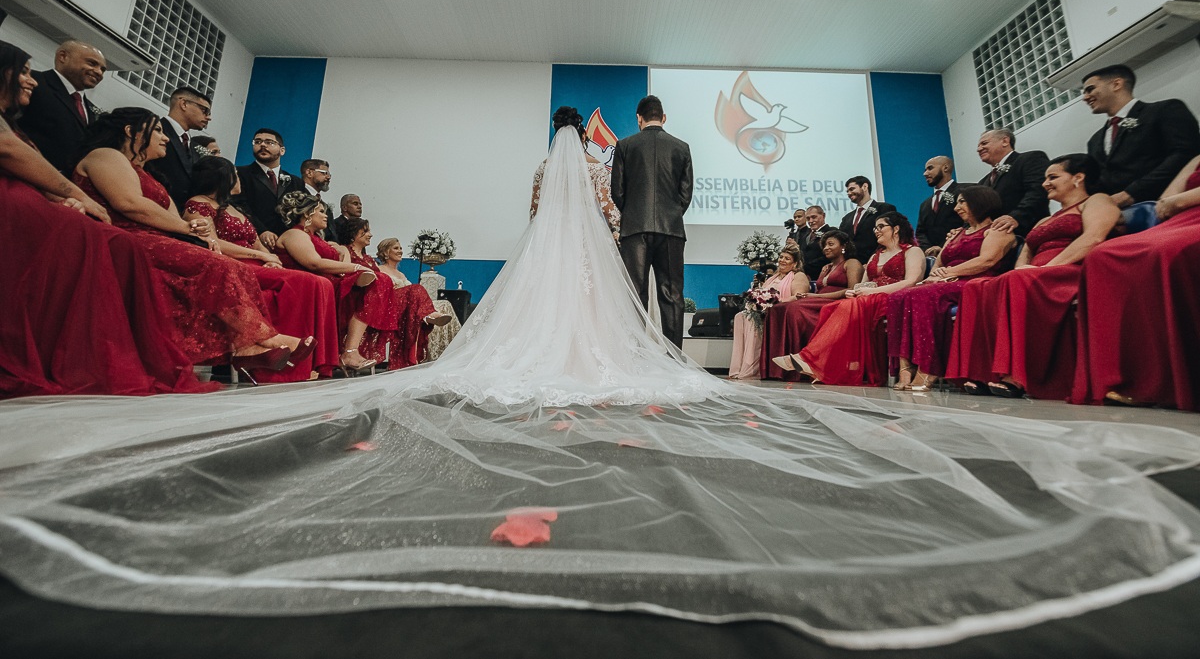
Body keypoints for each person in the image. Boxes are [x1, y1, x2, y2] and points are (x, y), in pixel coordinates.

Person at [4, 115, 1200, 646]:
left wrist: (578, 205)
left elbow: (553, 227)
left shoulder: (569, 174)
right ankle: (615, 349)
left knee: (557, 310)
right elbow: (614, 218)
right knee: (618, 317)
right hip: (642, 244)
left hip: (608, 241)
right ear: (614, 145)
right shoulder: (641, 161)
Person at [0, 40, 215, 397]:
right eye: (22, 72)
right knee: (110, 239)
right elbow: (13, 152)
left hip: (45, 191)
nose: (31, 80)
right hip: (23, 194)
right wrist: (75, 195)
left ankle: (101, 353)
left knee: (112, 240)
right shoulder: (98, 150)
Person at [72, 107, 307, 380]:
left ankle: (248, 347)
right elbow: (129, 204)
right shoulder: (106, 156)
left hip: (156, 239)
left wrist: (196, 233)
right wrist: (189, 227)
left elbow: (171, 217)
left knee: (237, 268)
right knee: (218, 266)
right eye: (158, 130)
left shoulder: (147, 173)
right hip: (124, 238)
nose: (164, 138)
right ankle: (263, 340)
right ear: (130, 131)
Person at [947, 154, 1120, 399]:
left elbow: (1093, 237)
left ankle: (1017, 376)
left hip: (1072, 270)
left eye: (1053, 177)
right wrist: (1023, 270)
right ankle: (984, 372)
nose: (1045, 183)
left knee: (1016, 280)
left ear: (1078, 178)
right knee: (976, 287)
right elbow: (1026, 252)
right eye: (1045, 178)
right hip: (1034, 275)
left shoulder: (1096, 201)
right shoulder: (1044, 219)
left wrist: (1044, 269)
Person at [184, 156, 336, 382]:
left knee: (319, 283)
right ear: (222, 178)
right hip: (233, 263)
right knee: (307, 281)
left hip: (256, 261)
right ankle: (282, 364)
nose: (239, 180)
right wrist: (261, 255)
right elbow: (211, 243)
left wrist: (270, 257)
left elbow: (255, 239)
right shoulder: (197, 204)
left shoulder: (233, 208)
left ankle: (311, 364)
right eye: (235, 176)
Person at [1073, 153, 1200, 409]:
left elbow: (1174, 201)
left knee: (1163, 252)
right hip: (1177, 220)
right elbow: (1164, 202)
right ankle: (1127, 375)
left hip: (1189, 219)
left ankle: (1176, 377)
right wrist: (1173, 203)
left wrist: (1180, 200)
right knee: (1102, 255)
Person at [887, 186, 1014, 391]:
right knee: (897, 297)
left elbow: (986, 260)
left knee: (922, 296)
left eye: (962, 202)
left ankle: (928, 366)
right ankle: (905, 367)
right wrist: (937, 274)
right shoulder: (958, 233)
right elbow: (939, 261)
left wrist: (945, 274)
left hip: (977, 282)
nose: (957, 208)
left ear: (980, 202)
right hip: (947, 281)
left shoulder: (995, 231)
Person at [781, 212, 924, 386]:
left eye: (881, 226)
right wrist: (854, 292)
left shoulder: (912, 251)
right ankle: (827, 365)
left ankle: (810, 358)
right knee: (830, 308)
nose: (876, 231)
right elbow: (861, 285)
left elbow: (911, 281)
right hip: (869, 298)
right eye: (875, 227)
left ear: (896, 229)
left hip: (894, 298)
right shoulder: (875, 255)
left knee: (848, 307)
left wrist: (872, 292)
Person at [611, 95, 693, 348]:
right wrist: (670, 214)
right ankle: (673, 357)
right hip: (671, 230)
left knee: (635, 294)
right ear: (663, 117)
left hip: (635, 230)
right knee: (672, 294)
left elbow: (617, 192)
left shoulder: (625, 145)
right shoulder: (682, 147)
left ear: (639, 118)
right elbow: (686, 193)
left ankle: (636, 355)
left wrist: (634, 213)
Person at [274, 191, 384, 373]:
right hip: (305, 287)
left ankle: (349, 350)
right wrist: (357, 269)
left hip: (325, 284)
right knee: (376, 282)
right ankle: (349, 351)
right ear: (307, 214)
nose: (326, 215)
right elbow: (314, 263)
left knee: (378, 282)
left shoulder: (318, 238)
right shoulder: (295, 235)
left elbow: (340, 267)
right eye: (321, 211)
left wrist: (343, 251)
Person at [1081, 64, 1200, 208]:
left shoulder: (1164, 110)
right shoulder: (1094, 140)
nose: (1085, 98)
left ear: (1116, 84)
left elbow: (1185, 154)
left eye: (1090, 89)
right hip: (1118, 215)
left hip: (1167, 204)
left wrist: (1132, 193)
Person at [339, 219, 451, 369]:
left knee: (443, 303)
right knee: (415, 288)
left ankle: (438, 333)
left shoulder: (369, 261)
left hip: (389, 304)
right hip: (372, 302)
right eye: (366, 231)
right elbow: (344, 273)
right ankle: (428, 314)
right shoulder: (348, 252)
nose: (370, 235)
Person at [764, 230, 864, 381]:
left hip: (838, 304)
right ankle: (778, 369)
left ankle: (805, 360)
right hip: (818, 301)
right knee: (778, 308)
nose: (826, 248)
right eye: (824, 246)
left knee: (795, 308)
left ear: (844, 246)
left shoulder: (852, 263)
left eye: (830, 244)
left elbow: (852, 290)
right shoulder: (826, 267)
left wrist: (815, 296)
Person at [18, 40, 106, 174]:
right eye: (92, 63)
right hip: (23, 172)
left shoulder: (91, 111)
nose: (99, 72)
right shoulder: (33, 82)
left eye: (102, 69)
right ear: (63, 56)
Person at [532, 106, 621, 234]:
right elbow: (606, 206)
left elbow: (535, 207)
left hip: (551, 230)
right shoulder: (596, 168)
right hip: (586, 230)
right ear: (583, 136)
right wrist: (620, 225)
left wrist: (537, 234)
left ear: (557, 138)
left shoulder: (544, 168)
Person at [727, 244, 808, 381]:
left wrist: (776, 303)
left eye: (787, 258)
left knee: (753, 320)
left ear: (795, 264)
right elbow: (763, 294)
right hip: (766, 309)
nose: (782, 260)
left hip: (780, 312)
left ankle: (751, 369)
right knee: (740, 316)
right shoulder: (772, 277)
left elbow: (798, 296)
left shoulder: (798, 276)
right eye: (781, 257)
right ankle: (738, 367)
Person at [231, 128, 299, 249]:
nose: (262, 145)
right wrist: (261, 231)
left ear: (282, 150)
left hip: (288, 244)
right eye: (257, 142)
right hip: (252, 239)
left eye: (269, 142)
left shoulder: (295, 181)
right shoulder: (240, 173)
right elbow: (239, 206)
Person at [146, 86, 211, 210]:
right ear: (184, 104)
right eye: (204, 111)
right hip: (154, 205)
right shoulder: (155, 130)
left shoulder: (193, 145)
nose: (208, 117)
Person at [975, 128, 1049, 236]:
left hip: (1029, 232)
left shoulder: (1030, 159)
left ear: (1005, 141)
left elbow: (1038, 192)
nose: (979, 149)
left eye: (984, 143)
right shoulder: (982, 182)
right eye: (978, 146)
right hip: (995, 240)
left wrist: (1015, 217)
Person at [837, 176, 896, 262]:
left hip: (878, 261)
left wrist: (872, 261)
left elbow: (890, 237)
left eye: (852, 189)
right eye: (847, 191)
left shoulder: (884, 208)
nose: (849, 193)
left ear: (865, 187)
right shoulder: (846, 218)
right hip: (851, 265)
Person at [915, 155, 964, 255]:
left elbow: (970, 223)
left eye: (930, 168)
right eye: (925, 170)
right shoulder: (924, 204)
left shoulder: (965, 192)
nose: (925, 173)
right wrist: (928, 250)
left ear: (945, 168)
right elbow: (921, 232)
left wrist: (943, 247)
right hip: (933, 260)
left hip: (960, 252)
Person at [299, 158, 338, 243]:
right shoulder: (298, 198)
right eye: (324, 173)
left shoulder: (323, 203)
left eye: (329, 174)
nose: (328, 177)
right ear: (309, 173)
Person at [796, 206, 833, 278]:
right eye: (808, 218)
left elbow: (828, 257)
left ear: (823, 215)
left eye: (814, 217)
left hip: (825, 275)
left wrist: (804, 268)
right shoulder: (806, 236)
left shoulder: (831, 232)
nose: (811, 221)